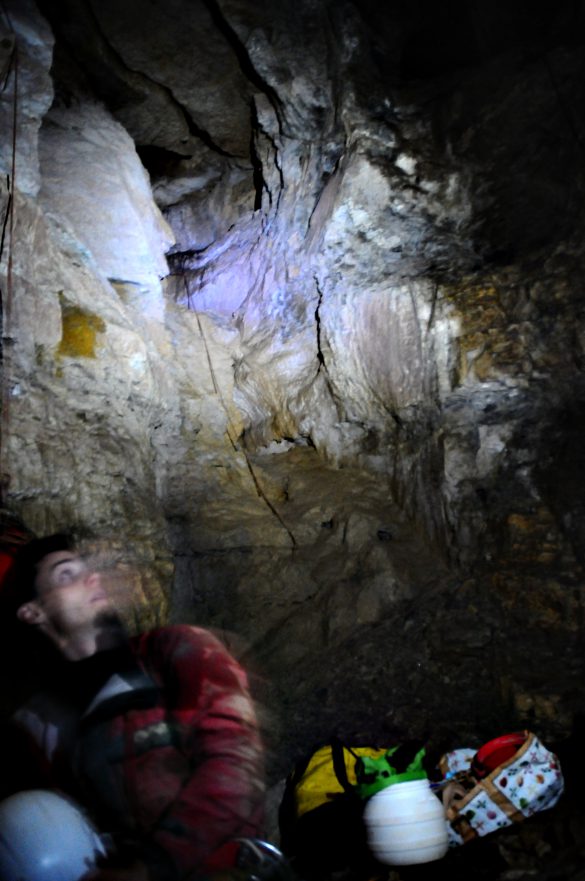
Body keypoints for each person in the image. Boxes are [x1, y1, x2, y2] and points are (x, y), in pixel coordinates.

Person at [5, 533, 266, 881]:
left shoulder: (172, 651)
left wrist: (151, 865)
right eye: (67, 574)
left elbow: (236, 765)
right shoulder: (38, 723)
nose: (92, 577)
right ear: (32, 611)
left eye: (88, 569)